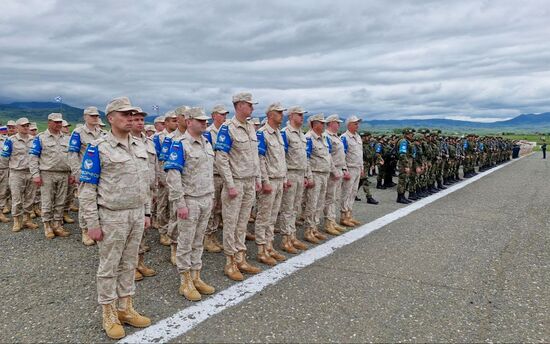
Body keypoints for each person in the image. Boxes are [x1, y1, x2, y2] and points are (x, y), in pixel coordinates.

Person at [79, 96, 151, 340]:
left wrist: (147, 212)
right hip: (111, 216)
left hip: (135, 213)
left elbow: (146, 182)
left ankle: (125, 307)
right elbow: (87, 189)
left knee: (129, 263)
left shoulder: (140, 144)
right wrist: (92, 224)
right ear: (110, 118)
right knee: (109, 266)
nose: (131, 118)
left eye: (133, 114)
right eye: (125, 114)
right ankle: (108, 312)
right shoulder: (98, 148)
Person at [165, 107, 216, 301]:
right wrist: (180, 203)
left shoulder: (206, 143)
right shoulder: (180, 144)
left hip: (205, 197)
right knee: (185, 242)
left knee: (198, 240)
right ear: (189, 122)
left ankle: (196, 275)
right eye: (200, 120)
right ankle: (185, 280)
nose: (204, 123)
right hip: (190, 200)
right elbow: (173, 175)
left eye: (205, 120)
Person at [215, 92, 262, 281]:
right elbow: (221, 158)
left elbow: (254, 156)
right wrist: (230, 184)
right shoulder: (227, 128)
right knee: (231, 223)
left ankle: (241, 257)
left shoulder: (250, 126)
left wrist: (257, 178)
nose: (252, 108)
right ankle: (230, 262)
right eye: (249, 105)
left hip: (249, 181)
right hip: (235, 182)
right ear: (240, 105)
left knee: (243, 223)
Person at [29, 113, 73, 239]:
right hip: (47, 174)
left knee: (60, 201)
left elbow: (71, 157)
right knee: (47, 201)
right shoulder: (40, 138)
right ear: (49, 122)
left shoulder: (67, 138)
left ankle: (57, 224)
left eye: (60, 122)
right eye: (56, 122)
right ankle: (47, 225)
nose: (59, 124)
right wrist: (35, 175)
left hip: (64, 174)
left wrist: (72, 173)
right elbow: (33, 157)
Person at [254, 102, 289, 265]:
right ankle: (261, 249)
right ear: (270, 115)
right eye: (279, 113)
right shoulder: (262, 133)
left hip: (279, 179)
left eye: (282, 113)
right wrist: (265, 181)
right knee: (263, 216)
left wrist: (284, 178)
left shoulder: (278, 134)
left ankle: (269, 246)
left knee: (273, 216)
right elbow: (260, 159)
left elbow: (282, 159)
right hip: (269, 181)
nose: (282, 115)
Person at [68, 106, 105, 246]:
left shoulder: (102, 133)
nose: (95, 118)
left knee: (99, 202)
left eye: (96, 116)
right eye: (92, 116)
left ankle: (97, 227)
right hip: (86, 174)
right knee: (85, 203)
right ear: (85, 117)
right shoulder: (78, 133)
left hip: (100, 175)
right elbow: (72, 154)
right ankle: (85, 231)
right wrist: (77, 173)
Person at [277, 106, 310, 253]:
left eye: (303, 115)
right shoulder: (285, 133)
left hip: (299, 173)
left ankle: (292, 235)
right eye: (299, 115)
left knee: (295, 208)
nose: (302, 117)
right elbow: (281, 158)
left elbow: (305, 157)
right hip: (290, 173)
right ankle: (285, 238)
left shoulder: (301, 134)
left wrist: (305, 175)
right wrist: (284, 177)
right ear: (291, 116)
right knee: (287, 209)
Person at [130, 108, 157, 281]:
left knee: (143, 230)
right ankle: (129, 267)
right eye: (136, 119)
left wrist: (154, 188)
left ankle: (140, 262)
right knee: (131, 233)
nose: (140, 122)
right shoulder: (127, 143)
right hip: (132, 193)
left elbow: (154, 166)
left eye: (142, 119)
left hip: (147, 191)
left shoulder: (148, 142)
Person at [1, 117, 39, 231]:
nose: (26, 127)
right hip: (16, 173)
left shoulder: (34, 140)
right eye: (23, 125)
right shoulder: (11, 140)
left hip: (30, 173)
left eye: (27, 125)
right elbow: (4, 158)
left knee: (30, 197)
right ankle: (17, 220)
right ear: (17, 127)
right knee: (17, 198)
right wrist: (12, 167)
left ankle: (27, 220)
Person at [203, 104, 229, 253]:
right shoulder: (208, 133)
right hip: (213, 174)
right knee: (211, 208)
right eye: (221, 114)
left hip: (223, 175)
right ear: (213, 116)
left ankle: (213, 235)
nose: (224, 117)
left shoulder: (226, 132)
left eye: (225, 115)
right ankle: (207, 237)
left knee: (220, 208)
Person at [302, 113, 332, 244]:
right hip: (315, 174)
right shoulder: (308, 138)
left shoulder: (324, 137)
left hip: (324, 174)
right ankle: (308, 230)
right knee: (312, 204)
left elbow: (327, 156)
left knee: (320, 203)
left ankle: (315, 228)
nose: (324, 125)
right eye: (321, 123)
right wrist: (309, 176)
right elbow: (306, 159)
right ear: (314, 124)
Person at [323, 114, 349, 234]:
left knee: (335, 198)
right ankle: (328, 223)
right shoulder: (326, 136)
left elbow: (341, 155)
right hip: (332, 171)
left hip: (339, 169)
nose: (339, 125)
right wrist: (334, 171)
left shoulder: (336, 136)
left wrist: (344, 169)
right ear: (330, 123)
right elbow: (328, 157)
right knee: (329, 198)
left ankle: (332, 221)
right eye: (337, 123)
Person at [340, 115, 364, 227]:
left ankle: (349, 214)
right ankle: (343, 216)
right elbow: (342, 155)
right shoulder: (344, 137)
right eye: (355, 123)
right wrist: (344, 170)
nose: (357, 125)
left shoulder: (358, 137)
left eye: (358, 123)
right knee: (347, 192)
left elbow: (360, 154)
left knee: (354, 192)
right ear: (349, 124)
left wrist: (362, 167)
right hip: (349, 168)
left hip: (357, 168)